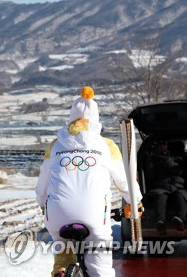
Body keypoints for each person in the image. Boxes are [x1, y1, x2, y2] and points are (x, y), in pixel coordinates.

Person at [36, 86, 142, 277]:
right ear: (95, 119)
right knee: (100, 267)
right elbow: (124, 181)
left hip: (57, 215)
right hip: (94, 215)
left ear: (71, 119)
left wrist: (42, 203)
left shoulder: (55, 145)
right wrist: (136, 203)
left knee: (62, 247)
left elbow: (42, 183)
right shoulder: (106, 145)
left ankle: (61, 270)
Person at [145, 140, 186, 233]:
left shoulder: (180, 158)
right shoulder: (153, 158)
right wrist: (153, 161)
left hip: (177, 186)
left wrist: (168, 162)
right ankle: (160, 222)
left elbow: (180, 171)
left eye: (165, 144)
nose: (164, 146)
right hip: (161, 186)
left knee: (181, 196)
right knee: (160, 197)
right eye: (162, 144)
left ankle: (180, 219)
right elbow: (150, 176)